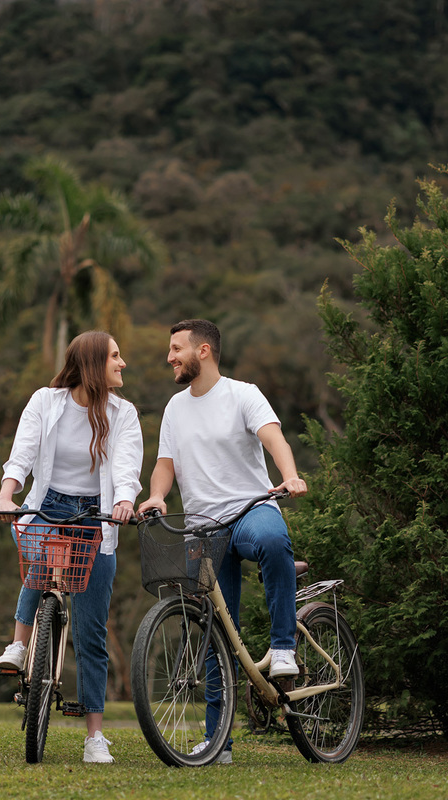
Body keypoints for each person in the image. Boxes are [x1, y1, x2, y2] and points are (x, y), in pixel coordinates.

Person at [137, 319, 307, 764]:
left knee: (272, 540)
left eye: (177, 349)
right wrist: (156, 495)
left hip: (250, 509)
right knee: (213, 631)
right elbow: (166, 464)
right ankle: (218, 743)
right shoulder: (175, 408)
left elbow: (274, 438)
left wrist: (289, 476)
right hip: (203, 527)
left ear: (204, 350)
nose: (169, 357)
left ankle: (283, 647)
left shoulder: (243, 394)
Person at [0, 331, 142, 764]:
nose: (122, 363)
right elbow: (22, 453)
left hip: (97, 515)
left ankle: (94, 737)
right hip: (49, 505)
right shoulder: (46, 402)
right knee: (39, 554)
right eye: (115, 356)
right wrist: (7, 495)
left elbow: (127, 465)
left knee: (91, 632)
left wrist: (124, 501)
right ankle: (19, 646)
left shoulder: (123, 413)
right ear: (94, 364)